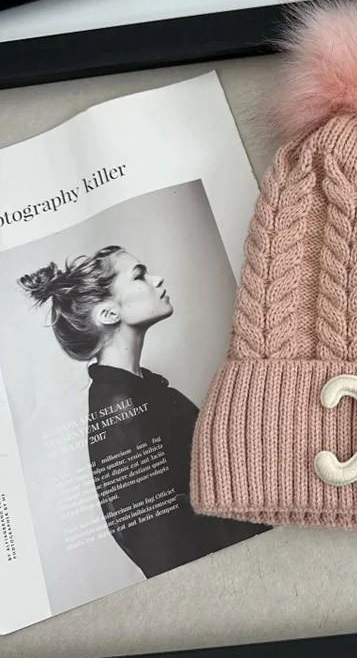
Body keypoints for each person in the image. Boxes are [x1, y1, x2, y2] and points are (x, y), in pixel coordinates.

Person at [19, 245, 266, 578]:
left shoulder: (140, 390)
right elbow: (160, 547)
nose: (157, 279)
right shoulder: (120, 406)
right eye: (139, 276)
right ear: (108, 314)